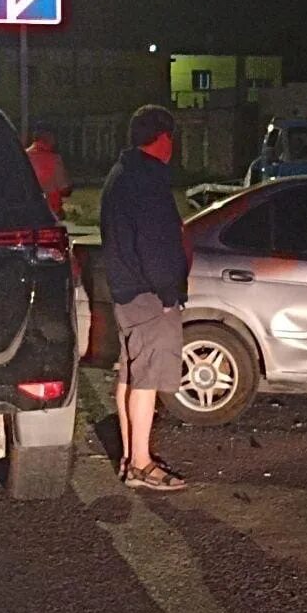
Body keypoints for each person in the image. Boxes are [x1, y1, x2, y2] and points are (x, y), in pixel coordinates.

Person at [99, 104, 190, 491]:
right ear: (164, 137)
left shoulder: (121, 175)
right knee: (147, 378)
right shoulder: (147, 181)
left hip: (125, 291)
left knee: (131, 373)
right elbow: (156, 244)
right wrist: (170, 292)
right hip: (148, 295)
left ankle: (130, 456)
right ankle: (140, 463)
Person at [26, 127, 72, 220]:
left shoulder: (23, 156)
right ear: (47, 139)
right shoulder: (54, 160)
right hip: (50, 212)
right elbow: (64, 189)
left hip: (27, 210)